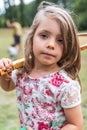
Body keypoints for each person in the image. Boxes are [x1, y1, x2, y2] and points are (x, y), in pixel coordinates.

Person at [0, 1, 83, 130]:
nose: (51, 44)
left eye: (60, 40)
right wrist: (5, 75)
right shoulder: (23, 70)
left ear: (67, 47)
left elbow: (76, 125)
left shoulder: (66, 85)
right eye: (44, 36)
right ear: (32, 37)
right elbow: (8, 86)